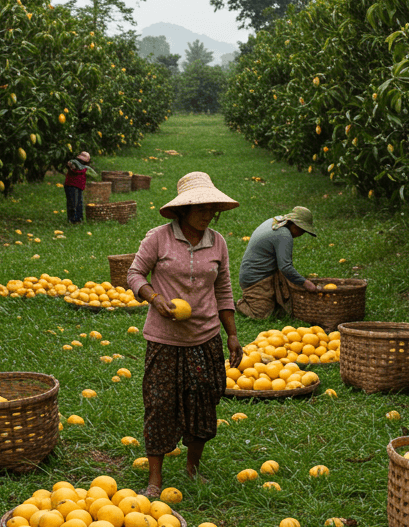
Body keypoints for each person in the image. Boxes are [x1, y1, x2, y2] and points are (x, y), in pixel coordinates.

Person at [126, 172, 242, 497]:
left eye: (211, 208)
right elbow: (134, 273)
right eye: (200, 208)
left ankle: (192, 469)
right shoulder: (159, 238)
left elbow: (224, 289)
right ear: (183, 210)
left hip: (205, 338)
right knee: (160, 404)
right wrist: (154, 298)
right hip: (164, 340)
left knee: (203, 402)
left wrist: (232, 335)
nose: (207, 214)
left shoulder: (217, 242)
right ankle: (154, 480)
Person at [236, 206, 319, 319]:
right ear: (294, 224)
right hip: (255, 279)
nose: (301, 234)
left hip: (260, 273)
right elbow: (285, 267)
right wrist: (305, 283)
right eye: (302, 230)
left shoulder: (276, 221)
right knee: (262, 314)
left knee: (282, 308)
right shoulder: (284, 235)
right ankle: (240, 305)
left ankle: (264, 298)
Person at [63, 150, 94, 224]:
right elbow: (74, 171)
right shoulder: (75, 166)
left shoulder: (84, 168)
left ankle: (79, 219)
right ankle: (73, 219)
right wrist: (71, 166)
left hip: (79, 186)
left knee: (79, 203)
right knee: (73, 203)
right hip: (71, 186)